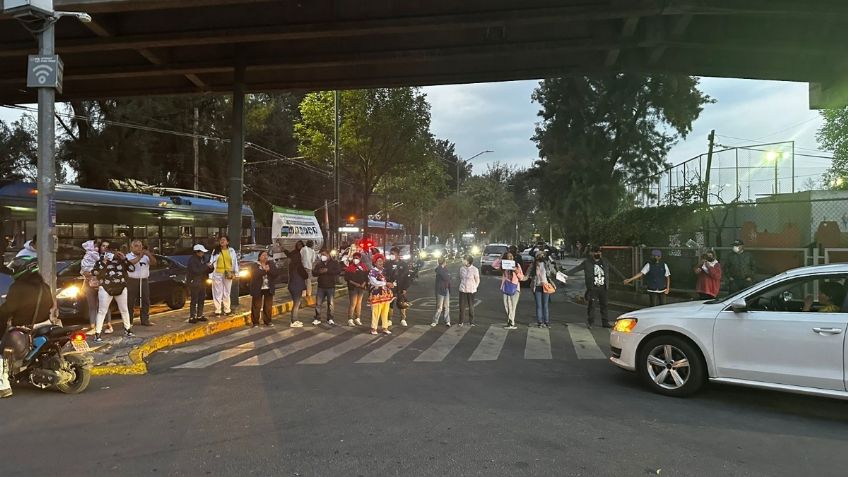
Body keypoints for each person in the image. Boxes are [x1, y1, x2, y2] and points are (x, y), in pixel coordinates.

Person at [0, 257, 54, 398]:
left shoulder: (17, 288)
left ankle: (3, 386)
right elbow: (51, 305)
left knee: (2, 352)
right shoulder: (44, 286)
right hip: (46, 325)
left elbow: (7, 310)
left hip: (25, 329)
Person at [566, 245, 626, 328]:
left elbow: (614, 270)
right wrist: (564, 274)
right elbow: (576, 269)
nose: (598, 253)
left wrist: (623, 279)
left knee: (604, 305)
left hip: (603, 287)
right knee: (592, 306)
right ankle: (591, 322)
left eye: (599, 252)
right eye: (596, 252)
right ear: (591, 253)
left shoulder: (605, 261)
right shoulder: (587, 262)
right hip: (593, 288)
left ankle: (605, 322)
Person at [92, 249, 134, 343]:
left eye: (116, 252)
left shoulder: (121, 261)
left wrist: (124, 259)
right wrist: (104, 262)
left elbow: (132, 268)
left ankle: (127, 329)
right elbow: (95, 273)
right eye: (111, 252)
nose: (114, 254)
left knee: (124, 309)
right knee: (102, 311)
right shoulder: (101, 261)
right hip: (106, 288)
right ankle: (97, 333)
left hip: (121, 287)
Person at [126, 239, 158, 327]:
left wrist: (149, 255)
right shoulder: (128, 256)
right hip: (132, 280)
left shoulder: (146, 257)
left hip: (144, 280)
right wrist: (140, 256)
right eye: (136, 246)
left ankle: (145, 320)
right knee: (130, 301)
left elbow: (154, 263)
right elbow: (130, 263)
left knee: (145, 300)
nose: (139, 248)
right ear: (131, 247)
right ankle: (129, 321)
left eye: (140, 246)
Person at [493, 251, 525, 329]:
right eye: (508, 256)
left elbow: (521, 277)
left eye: (511, 256)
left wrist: (516, 271)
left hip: (515, 287)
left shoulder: (517, 265)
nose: (510, 258)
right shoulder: (504, 266)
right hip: (506, 287)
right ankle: (510, 320)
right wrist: (500, 258)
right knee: (507, 305)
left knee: (513, 306)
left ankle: (511, 323)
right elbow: (494, 265)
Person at [209, 235, 239, 316]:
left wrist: (236, 273)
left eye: (224, 240)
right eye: (221, 240)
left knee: (227, 292)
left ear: (227, 242)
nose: (222, 241)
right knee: (217, 292)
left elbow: (235, 262)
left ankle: (227, 309)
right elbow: (212, 261)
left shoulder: (231, 251)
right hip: (218, 273)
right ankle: (217, 310)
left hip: (228, 273)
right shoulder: (216, 250)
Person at [248, 250, 279, 327]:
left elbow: (275, 274)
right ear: (259, 257)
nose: (265, 257)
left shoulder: (271, 263)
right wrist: (264, 270)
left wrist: (269, 270)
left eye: (266, 255)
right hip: (258, 288)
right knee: (256, 306)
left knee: (268, 305)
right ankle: (255, 322)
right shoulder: (255, 265)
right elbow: (255, 275)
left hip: (268, 287)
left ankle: (267, 321)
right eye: (263, 255)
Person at [312, 248, 341, 326]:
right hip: (321, 286)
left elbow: (338, 271)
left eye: (324, 255)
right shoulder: (319, 263)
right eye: (322, 255)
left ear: (328, 255)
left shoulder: (334, 263)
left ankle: (330, 318)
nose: (323, 256)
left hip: (330, 286)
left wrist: (328, 271)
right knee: (318, 303)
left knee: (330, 303)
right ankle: (317, 318)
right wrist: (319, 272)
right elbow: (314, 273)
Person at [368, 254, 394, 335]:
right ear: (375, 263)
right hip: (377, 294)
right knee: (376, 312)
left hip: (385, 294)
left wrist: (391, 284)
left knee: (385, 311)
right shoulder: (372, 271)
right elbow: (374, 282)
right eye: (379, 261)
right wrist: (386, 283)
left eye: (382, 261)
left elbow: (389, 280)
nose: (381, 263)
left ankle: (385, 327)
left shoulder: (384, 271)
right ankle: (373, 328)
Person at [80, 239, 102, 334]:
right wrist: (87, 275)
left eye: (98, 246)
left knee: (103, 307)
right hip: (89, 283)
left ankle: (106, 325)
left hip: (101, 283)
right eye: (95, 245)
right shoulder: (87, 256)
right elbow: (84, 271)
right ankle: (93, 326)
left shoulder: (103, 258)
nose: (96, 248)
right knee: (92, 306)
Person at [528, 251, 555, 327]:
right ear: (536, 257)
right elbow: (527, 274)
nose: (542, 256)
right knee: (539, 305)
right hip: (537, 286)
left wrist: (561, 276)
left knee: (545, 305)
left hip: (546, 286)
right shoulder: (533, 265)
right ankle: (539, 322)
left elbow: (554, 272)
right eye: (540, 255)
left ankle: (546, 322)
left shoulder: (546, 264)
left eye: (543, 255)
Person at [187, 244, 211, 324]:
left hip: (202, 282)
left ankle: (199, 315)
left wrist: (211, 267)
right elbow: (196, 271)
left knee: (201, 299)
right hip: (195, 282)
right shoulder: (192, 260)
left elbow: (206, 270)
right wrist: (205, 266)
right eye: (201, 252)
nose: (203, 254)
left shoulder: (203, 259)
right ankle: (192, 317)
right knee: (194, 300)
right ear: (197, 252)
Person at [344, 252, 369, 326]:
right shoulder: (350, 267)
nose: (355, 260)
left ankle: (357, 318)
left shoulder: (363, 266)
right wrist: (356, 284)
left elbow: (366, 276)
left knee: (359, 303)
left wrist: (364, 283)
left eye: (357, 258)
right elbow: (347, 278)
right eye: (354, 258)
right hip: (353, 288)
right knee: (353, 303)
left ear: (360, 259)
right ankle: (350, 319)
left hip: (361, 288)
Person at [286, 245, 307, 328]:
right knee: (296, 304)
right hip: (297, 286)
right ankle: (293, 320)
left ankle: (295, 319)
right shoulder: (299, 266)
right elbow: (305, 275)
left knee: (296, 303)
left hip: (292, 285)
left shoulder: (291, 265)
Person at [458, 255, 480, 327]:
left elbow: (477, 280)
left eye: (464, 260)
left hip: (471, 290)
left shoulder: (475, 269)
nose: (462, 261)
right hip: (462, 289)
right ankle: (461, 321)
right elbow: (461, 278)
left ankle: (471, 321)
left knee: (471, 306)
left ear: (468, 261)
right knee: (462, 306)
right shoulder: (461, 269)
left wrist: (474, 287)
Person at [432, 257, 452, 327]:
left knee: (446, 306)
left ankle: (447, 321)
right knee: (439, 307)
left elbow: (448, 278)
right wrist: (448, 276)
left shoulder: (445, 269)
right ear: (444, 262)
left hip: (446, 289)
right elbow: (446, 277)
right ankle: (435, 321)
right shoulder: (439, 269)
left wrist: (448, 277)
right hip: (440, 290)